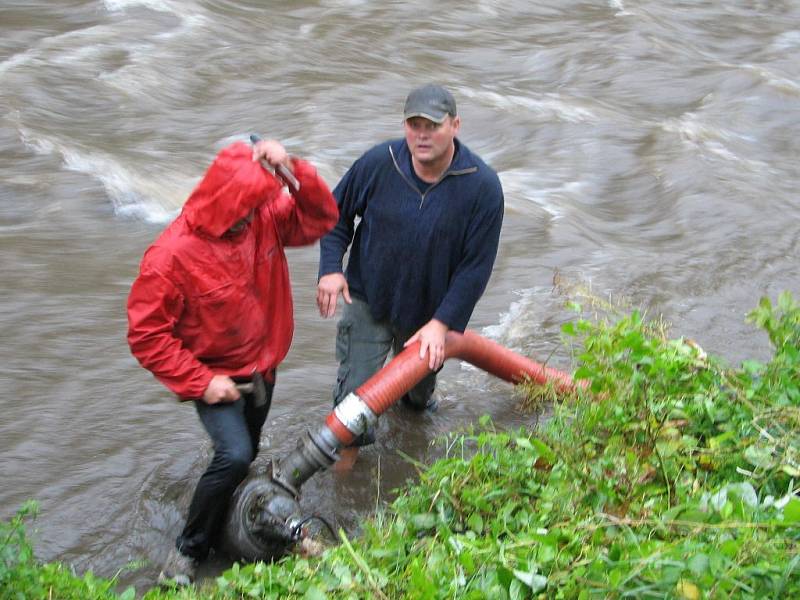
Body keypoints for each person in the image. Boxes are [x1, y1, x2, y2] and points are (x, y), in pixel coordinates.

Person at [126, 138, 337, 585]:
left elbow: (321, 217)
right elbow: (146, 335)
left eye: (257, 206)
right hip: (216, 375)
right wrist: (201, 382)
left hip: (264, 367)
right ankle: (188, 551)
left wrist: (291, 169)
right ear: (226, 202)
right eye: (246, 209)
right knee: (237, 453)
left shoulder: (262, 218)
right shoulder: (170, 257)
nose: (253, 215)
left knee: (245, 453)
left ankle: (228, 512)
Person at [317, 84, 504, 446]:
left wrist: (441, 324)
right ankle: (347, 483)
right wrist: (330, 268)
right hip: (368, 299)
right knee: (352, 408)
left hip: (428, 315)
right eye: (413, 125)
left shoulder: (482, 187)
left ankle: (415, 429)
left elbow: (475, 269)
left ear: (455, 125)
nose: (421, 135)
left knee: (416, 404)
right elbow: (334, 216)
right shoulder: (377, 163)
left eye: (432, 126)